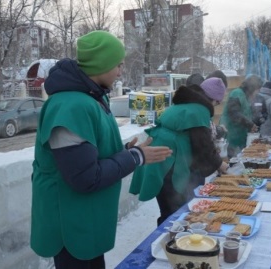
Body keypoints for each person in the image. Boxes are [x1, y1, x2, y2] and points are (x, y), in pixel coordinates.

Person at [30, 31, 173, 269]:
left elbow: (91, 153)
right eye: (117, 64)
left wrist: (127, 150)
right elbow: (85, 177)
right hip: (70, 225)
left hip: (86, 219)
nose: (120, 71)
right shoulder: (70, 106)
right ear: (101, 64)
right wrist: (135, 157)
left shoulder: (92, 98)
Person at [129, 84, 229, 226]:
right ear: (210, 99)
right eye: (218, 102)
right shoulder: (199, 111)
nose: (217, 105)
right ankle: (171, 240)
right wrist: (220, 164)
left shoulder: (185, 106)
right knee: (176, 210)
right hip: (169, 161)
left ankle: (166, 236)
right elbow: (202, 145)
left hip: (161, 156)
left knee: (167, 208)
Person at [220, 74, 262, 158]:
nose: (258, 92)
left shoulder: (246, 97)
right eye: (258, 89)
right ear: (252, 87)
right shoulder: (236, 93)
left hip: (239, 138)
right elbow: (234, 114)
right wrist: (250, 125)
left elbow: (247, 114)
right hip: (231, 137)